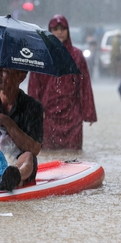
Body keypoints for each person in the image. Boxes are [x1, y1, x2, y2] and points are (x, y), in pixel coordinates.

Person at [28, 14, 97, 150]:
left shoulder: (77, 56)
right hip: (48, 114)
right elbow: (34, 86)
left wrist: (88, 113)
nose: (59, 32)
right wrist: (34, 111)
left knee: (73, 155)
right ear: (50, 31)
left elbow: (84, 86)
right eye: (55, 29)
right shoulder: (42, 56)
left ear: (68, 31)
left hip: (73, 115)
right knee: (48, 153)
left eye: (63, 29)